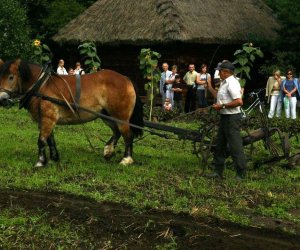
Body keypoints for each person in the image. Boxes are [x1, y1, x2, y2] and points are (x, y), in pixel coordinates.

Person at [205, 61, 247, 180]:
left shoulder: (232, 83)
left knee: (235, 146)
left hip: (232, 118)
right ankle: (218, 172)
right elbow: (218, 96)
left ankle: (241, 173)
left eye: (219, 71)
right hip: (224, 117)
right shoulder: (224, 83)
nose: (218, 73)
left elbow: (239, 101)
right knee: (220, 145)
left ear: (226, 72)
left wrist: (222, 106)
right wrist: (209, 87)